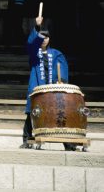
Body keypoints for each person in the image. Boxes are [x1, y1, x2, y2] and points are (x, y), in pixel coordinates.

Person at [20, 15, 76, 150]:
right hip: (37, 86)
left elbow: (62, 68)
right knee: (32, 112)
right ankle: (27, 139)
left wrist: (60, 82)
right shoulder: (34, 53)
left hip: (53, 87)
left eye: (46, 37)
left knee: (60, 111)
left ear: (50, 39)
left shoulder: (57, 54)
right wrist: (37, 26)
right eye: (42, 37)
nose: (44, 39)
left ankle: (67, 142)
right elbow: (30, 43)